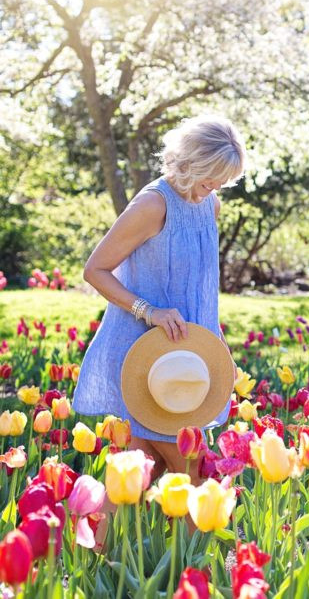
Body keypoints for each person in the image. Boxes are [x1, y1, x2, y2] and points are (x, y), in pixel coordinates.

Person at [72, 114, 246, 484]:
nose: (214, 188)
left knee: (138, 475)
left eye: (222, 181)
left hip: (188, 355)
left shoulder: (209, 205)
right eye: (210, 177)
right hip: (150, 358)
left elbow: (201, 291)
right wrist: (147, 311)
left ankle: (97, 543)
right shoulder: (153, 205)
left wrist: (219, 348)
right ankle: (212, 546)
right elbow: (95, 270)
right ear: (189, 163)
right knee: (199, 477)